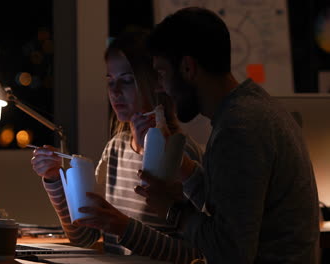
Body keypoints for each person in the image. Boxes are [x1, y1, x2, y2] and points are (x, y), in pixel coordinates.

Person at [135, 6, 320, 264]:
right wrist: (184, 168)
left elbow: (230, 251)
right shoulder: (254, 109)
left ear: (188, 68)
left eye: (162, 73)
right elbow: (233, 210)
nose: (161, 88)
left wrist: (173, 212)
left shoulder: (239, 129)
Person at [31, 31, 204, 262]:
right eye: (110, 81)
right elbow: (84, 236)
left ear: (155, 83)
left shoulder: (181, 157)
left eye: (127, 80)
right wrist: (53, 178)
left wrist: (123, 228)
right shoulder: (115, 149)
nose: (114, 91)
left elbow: (195, 256)